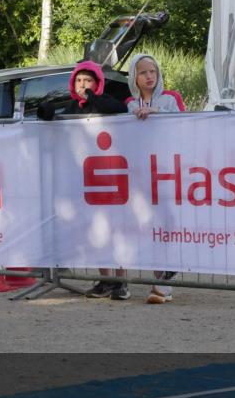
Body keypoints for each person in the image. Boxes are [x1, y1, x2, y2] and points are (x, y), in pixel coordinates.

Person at [37, 60, 130, 299]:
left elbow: (119, 109)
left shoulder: (104, 100)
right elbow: (57, 122)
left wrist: (91, 97)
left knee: (114, 229)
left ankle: (121, 280)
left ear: (97, 83)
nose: (82, 85)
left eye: (88, 80)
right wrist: (47, 112)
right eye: (78, 80)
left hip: (109, 174)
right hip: (84, 178)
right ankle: (106, 279)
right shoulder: (72, 106)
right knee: (95, 231)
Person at [126, 53, 183, 304]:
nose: (149, 76)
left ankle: (165, 280)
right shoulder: (130, 103)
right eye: (143, 72)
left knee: (170, 222)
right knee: (152, 226)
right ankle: (160, 283)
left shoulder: (171, 98)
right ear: (134, 77)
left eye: (153, 71)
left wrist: (157, 112)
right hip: (142, 173)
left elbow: (186, 124)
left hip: (170, 169)